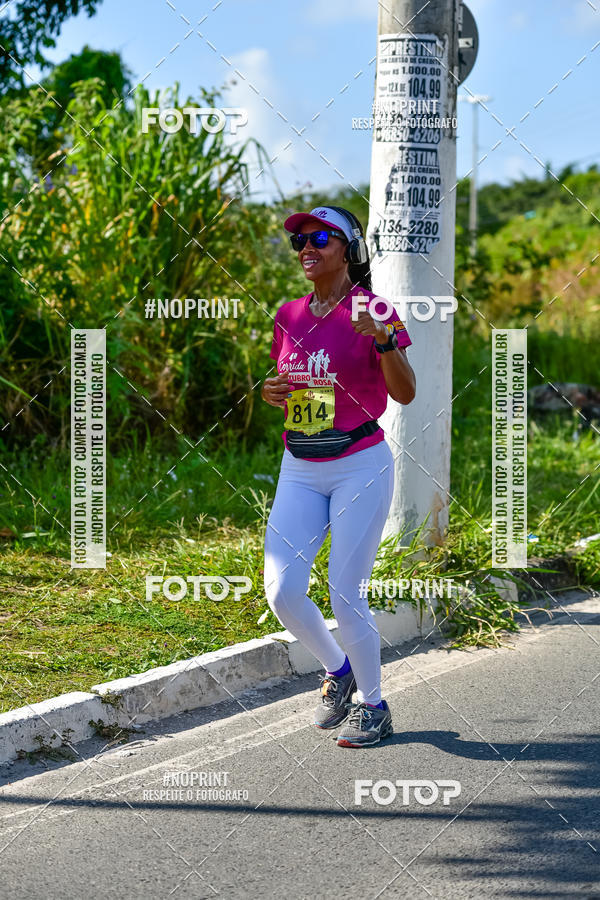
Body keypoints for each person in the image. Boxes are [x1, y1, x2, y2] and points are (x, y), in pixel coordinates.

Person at [261, 205, 416, 748]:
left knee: (345, 592)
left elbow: (405, 392)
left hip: (359, 465)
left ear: (348, 249)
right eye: (299, 240)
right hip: (300, 467)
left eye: (320, 238)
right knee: (282, 590)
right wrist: (271, 391)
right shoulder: (288, 314)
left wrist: (384, 339)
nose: (307, 247)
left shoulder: (375, 309)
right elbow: (286, 382)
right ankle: (338, 669)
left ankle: (375, 707)